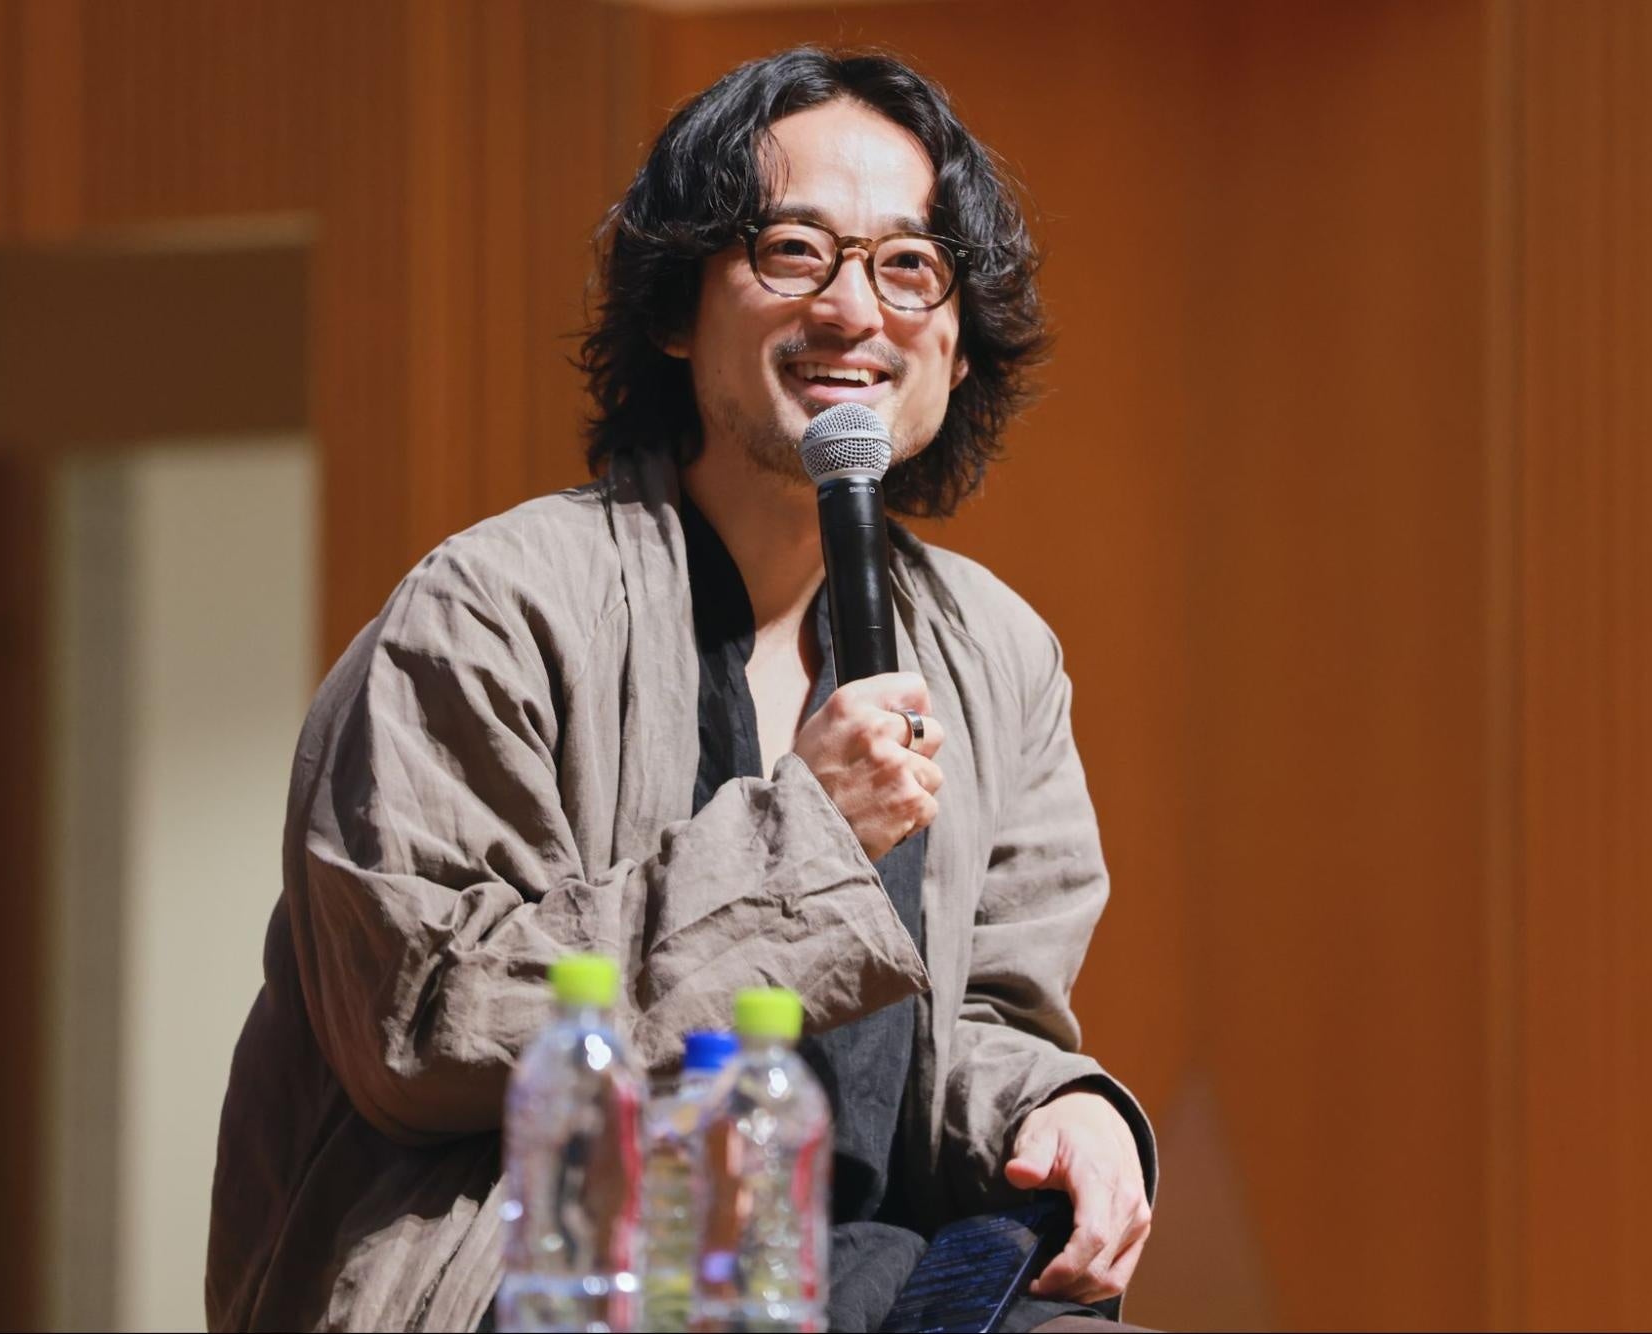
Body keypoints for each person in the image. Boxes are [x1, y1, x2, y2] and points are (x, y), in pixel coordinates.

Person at [206, 47, 1154, 1334]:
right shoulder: (491, 608)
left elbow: (985, 1012)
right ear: (676, 306)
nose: (853, 309)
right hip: (554, 1274)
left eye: (907, 265)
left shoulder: (997, 651)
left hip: (862, 1273)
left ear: (956, 336)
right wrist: (804, 841)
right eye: (793, 251)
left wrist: (1061, 1104)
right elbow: (424, 1022)